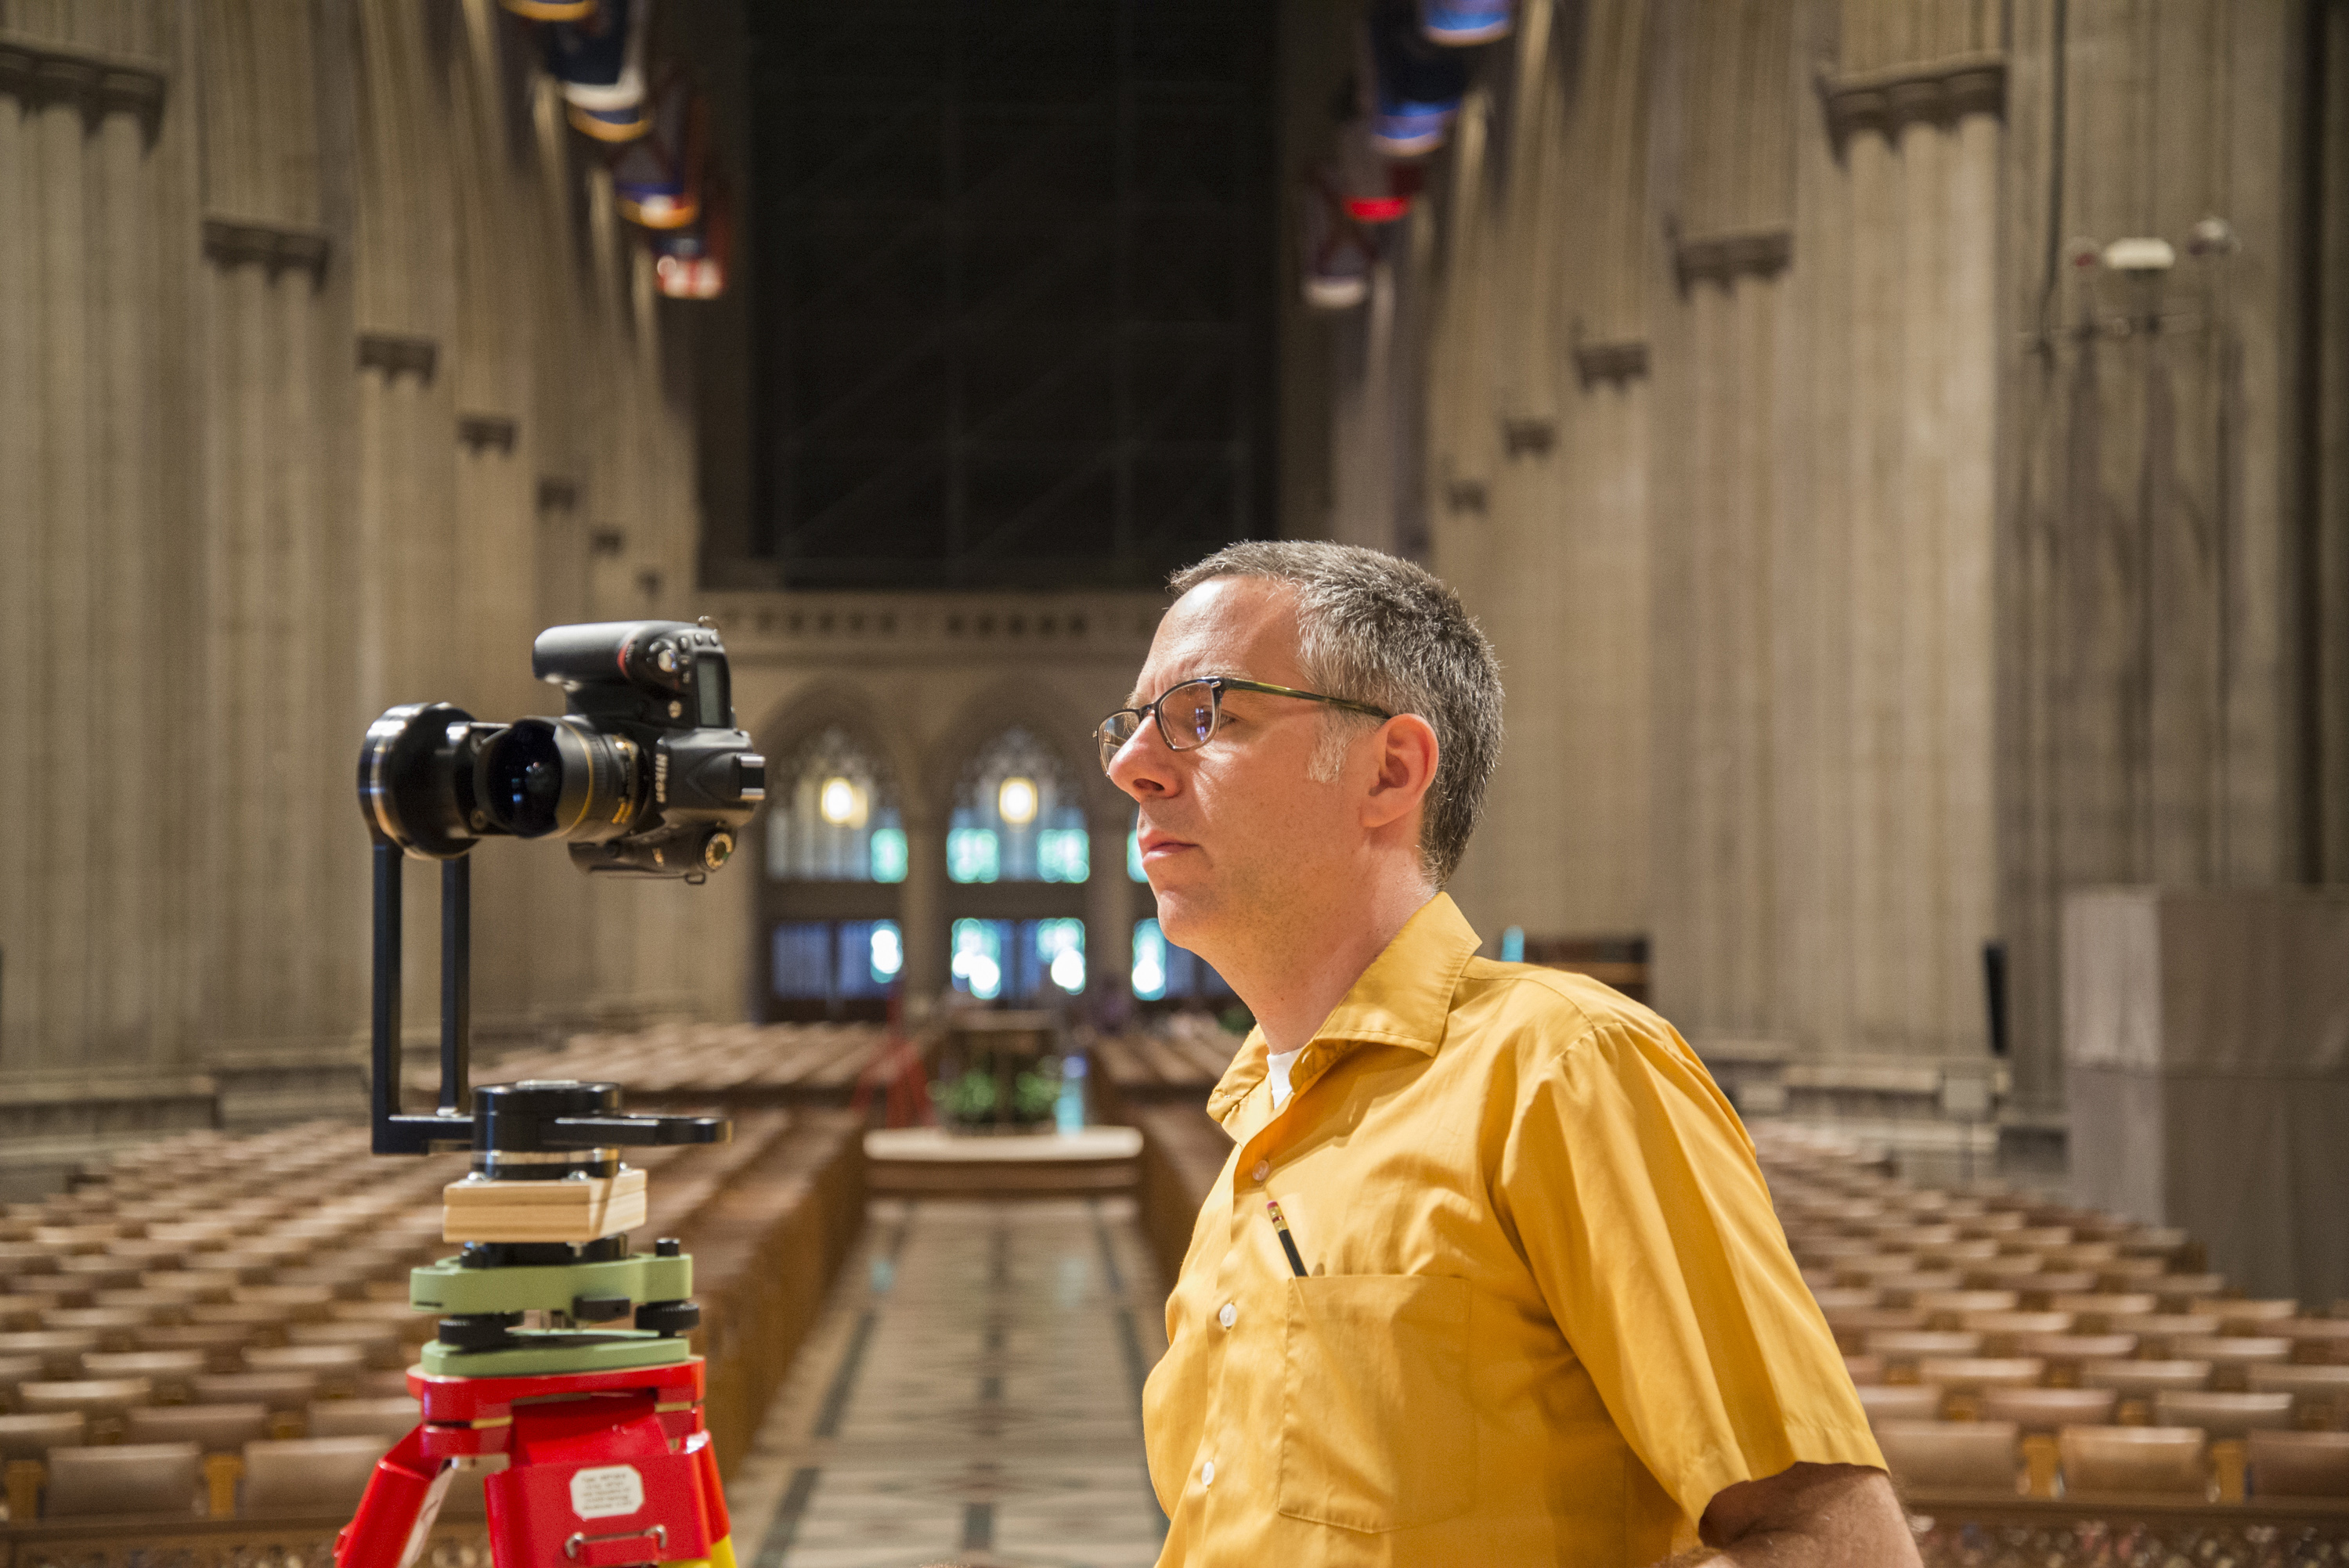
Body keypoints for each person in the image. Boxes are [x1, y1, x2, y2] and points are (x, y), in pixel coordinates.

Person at [1099, 542, 1913, 1567]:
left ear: (1390, 770)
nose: (1135, 765)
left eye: (1206, 714)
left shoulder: (1565, 1069)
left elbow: (1826, 1540)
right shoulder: (1258, 1133)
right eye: (1131, 728)